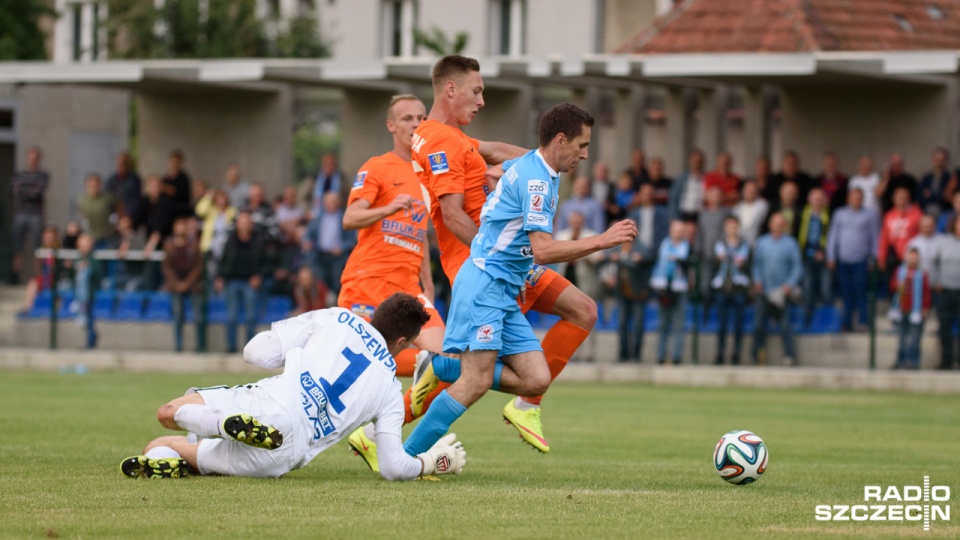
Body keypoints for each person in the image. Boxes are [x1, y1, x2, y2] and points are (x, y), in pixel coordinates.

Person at [401, 102, 637, 461]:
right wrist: (602, 240)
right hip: (484, 284)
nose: (586, 155)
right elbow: (542, 250)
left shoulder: (532, 166)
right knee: (476, 382)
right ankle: (404, 456)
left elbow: (494, 173)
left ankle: (442, 365)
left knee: (536, 379)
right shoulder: (537, 181)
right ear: (560, 140)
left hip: (504, 287)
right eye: (582, 145)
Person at [119, 293, 466, 481]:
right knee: (174, 448)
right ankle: (193, 450)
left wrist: (291, 355)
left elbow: (254, 352)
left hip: (268, 401)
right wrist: (428, 462)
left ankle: (217, 424)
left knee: (166, 417)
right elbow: (392, 467)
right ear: (402, 341)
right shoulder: (390, 389)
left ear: (375, 314)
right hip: (285, 452)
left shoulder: (337, 317)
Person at [337, 94, 442, 387]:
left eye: (421, 118)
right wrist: (389, 207)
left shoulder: (429, 176)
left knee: (446, 360)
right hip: (368, 281)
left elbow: (419, 233)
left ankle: (389, 427)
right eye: (407, 118)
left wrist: (429, 285)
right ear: (391, 125)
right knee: (355, 364)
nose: (415, 124)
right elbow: (350, 218)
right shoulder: (377, 167)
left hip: (408, 287)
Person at [614, 184, 668, 362]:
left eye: (650, 193)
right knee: (622, 320)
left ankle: (636, 354)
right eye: (644, 193)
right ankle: (622, 354)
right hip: (624, 281)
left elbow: (660, 240)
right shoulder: (633, 216)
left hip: (644, 275)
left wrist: (645, 256)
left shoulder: (662, 214)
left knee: (638, 319)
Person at [751, 213, 803, 366]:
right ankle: (757, 355)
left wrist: (789, 284)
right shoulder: (762, 242)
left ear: (784, 225)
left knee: (785, 325)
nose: (778, 226)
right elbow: (756, 265)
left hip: (782, 293)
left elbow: (797, 267)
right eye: (775, 223)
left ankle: (789, 355)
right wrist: (757, 280)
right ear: (770, 225)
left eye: (781, 223)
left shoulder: (791, 243)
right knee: (759, 324)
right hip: (764, 291)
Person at [826, 188, 880, 332]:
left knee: (861, 292)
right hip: (843, 260)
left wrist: (873, 258)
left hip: (861, 260)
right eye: (853, 197)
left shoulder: (870, 215)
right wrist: (831, 256)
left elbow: (874, 238)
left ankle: (863, 322)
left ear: (862, 199)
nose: (856, 199)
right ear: (848, 199)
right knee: (846, 293)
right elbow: (833, 236)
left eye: (859, 197)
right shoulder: (839, 214)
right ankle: (846, 323)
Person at [216, 212, 269, 353]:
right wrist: (220, 277)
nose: (244, 225)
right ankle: (231, 346)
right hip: (232, 280)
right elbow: (223, 260)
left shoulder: (258, 241)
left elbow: (266, 263)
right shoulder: (231, 240)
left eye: (247, 222)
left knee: (251, 316)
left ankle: (250, 348)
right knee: (231, 316)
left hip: (249, 281)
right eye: (242, 222)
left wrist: (258, 276)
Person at [711, 216, 750, 365]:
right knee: (722, 323)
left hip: (738, 287)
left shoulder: (744, 244)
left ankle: (736, 353)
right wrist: (718, 259)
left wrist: (742, 264)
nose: (732, 229)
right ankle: (720, 353)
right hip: (722, 286)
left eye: (734, 226)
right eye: (729, 226)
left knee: (738, 323)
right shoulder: (719, 244)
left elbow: (749, 266)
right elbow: (713, 265)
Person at [650, 220, 690, 365]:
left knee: (679, 324)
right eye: (676, 230)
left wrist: (680, 261)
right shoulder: (663, 245)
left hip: (679, 288)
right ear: (670, 231)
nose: (678, 233)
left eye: (681, 230)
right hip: (663, 288)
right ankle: (661, 356)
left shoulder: (688, 247)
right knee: (662, 324)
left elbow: (691, 265)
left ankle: (676, 356)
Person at [163, 216, 204, 353]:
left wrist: (187, 282)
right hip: (176, 285)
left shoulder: (194, 244)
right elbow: (167, 267)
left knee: (198, 316)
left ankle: (200, 345)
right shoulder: (169, 245)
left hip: (193, 285)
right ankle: (178, 346)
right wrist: (176, 284)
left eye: (183, 226)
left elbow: (198, 266)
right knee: (178, 316)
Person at [889, 247, 931, 370]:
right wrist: (897, 285)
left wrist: (925, 308)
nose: (912, 258)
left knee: (915, 339)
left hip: (916, 310)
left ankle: (913, 362)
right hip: (901, 309)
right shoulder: (899, 271)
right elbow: (892, 286)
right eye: (910, 256)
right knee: (901, 339)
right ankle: (900, 361)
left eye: (915, 256)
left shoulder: (922, 274)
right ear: (906, 257)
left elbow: (926, 293)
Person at [11, 146, 49, 283]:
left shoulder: (43, 175)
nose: (33, 159)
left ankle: (39, 279)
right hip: (20, 213)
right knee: (17, 247)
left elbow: (38, 192)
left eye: (36, 156)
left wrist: (26, 189)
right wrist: (30, 189)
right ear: (27, 157)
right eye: (31, 156)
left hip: (36, 214)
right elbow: (16, 190)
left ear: (39, 158)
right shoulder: (19, 174)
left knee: (37, 248)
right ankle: (15, 277)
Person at [307, 191, 355, 294]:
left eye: (334, 202)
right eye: (329, 202)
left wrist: (341, 247)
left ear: (338, 203)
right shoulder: (318, 217)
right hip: (320, 255)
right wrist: (307, 241)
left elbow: (352, 239)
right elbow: (308, 233)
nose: (331, 204)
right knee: (320, 283)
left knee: (336, 283)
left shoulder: (345, 217)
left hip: (338, 257)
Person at [797, 188, 831, 326]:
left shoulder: (829, 214)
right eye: (815, 198)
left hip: (824, 255)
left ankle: (825, 321)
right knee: (807, 287)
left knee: (826, 288)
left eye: (820, 198)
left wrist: (824, 252)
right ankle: (806, 319)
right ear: (809, 200)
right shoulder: (802, 213)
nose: (817, 201)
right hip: (806, 255)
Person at [931, 215, 960, 370]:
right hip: (945, 292)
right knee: (944, 328)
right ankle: (946, 361)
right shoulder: (943, 242)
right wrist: (936, 281)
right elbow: (933, 263)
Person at [878, 187, 922, 274]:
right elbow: (884, 238)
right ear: (893, 199)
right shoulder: (889, 215)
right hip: (892, 258)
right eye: (899, 197)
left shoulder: (917, 214)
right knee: (892, 285)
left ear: (909, 199)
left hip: (910, 258)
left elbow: (921, 236)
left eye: (904, 197)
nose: (902, 199)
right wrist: (881, 258)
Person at [696, 186, 730, 301]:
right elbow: (699, 233)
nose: (716, 197)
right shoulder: (703, 214)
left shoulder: (727, 213)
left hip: (722, 256)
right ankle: (706, 312)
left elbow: (728, 232)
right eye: (713, 194)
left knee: (721, 285)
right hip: (706, 255)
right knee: (705, 286)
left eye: (718, 194)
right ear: (707, 197)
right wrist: (698, 249)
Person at [194, 189, 236, 278]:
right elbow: (200, 210)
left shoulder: (232, 211)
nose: (221, 201)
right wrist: (208, 197)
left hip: (226, 246)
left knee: (224, 271)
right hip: (210, 246)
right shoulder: (211, 211)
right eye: (218, 198)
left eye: (223, 198)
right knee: (210, 273)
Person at [20, 226, 60, 313]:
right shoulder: (40, 251)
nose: (48, 239)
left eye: (50, 237)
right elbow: (38, 269)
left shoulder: (59, 250)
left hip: (56, 278)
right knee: (32, 283)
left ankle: (56, 312)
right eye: (46, 237)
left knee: (59, 287)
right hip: (44, 278)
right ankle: (28, 307)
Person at [76, 173, 116, 249]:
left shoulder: (108, 198)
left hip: (108, 237)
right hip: (90, 238)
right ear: (87, 184)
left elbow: (117, 211)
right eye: (91, 182)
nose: (94, 184)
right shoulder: (81, 200)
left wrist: (115, 224)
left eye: (97, 182)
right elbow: (82, 218)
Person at [668, 148, 706, 222]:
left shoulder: (707, 178)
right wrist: (674, 217)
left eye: (699, 161)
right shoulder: (681, 179)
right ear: (690, 162)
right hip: (684, 215)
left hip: (702, 216)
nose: (697, 164)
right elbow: (673, 199)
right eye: (695, 161)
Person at [917, 147, 955, 216]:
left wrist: (929, 195)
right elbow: (919, 196)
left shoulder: (950, 178)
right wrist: (938, 196)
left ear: (946, 161)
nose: (938, 162)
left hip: (944, 212)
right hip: (926, 212)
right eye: (937, 159)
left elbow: (947, 198)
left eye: (941, 160)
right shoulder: (926, 178)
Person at [105, 151, 142, 219]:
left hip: (129, 215)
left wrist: (127, 214)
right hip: (113, 214)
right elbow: (107, 197)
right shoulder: (111, 179)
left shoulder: (134, 179)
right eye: (120, 161)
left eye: (124, 161)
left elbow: (136, 200)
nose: (122, 163)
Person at [732, 180, 769, 246]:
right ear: (743, 191)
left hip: (757, 243)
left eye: (753, 189)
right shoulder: (736, 208)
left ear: (757, 191)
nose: (750, 191)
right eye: (748, 189)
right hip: (740, 245)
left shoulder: (764, 206)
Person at [161, 149, 193, 219]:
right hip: (167, 212)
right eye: (173, 162)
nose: (174, 164)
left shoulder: (184, 178)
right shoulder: (165, 178)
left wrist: (163, 187)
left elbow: (174, 191)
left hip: (180, 212)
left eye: (176, 162)